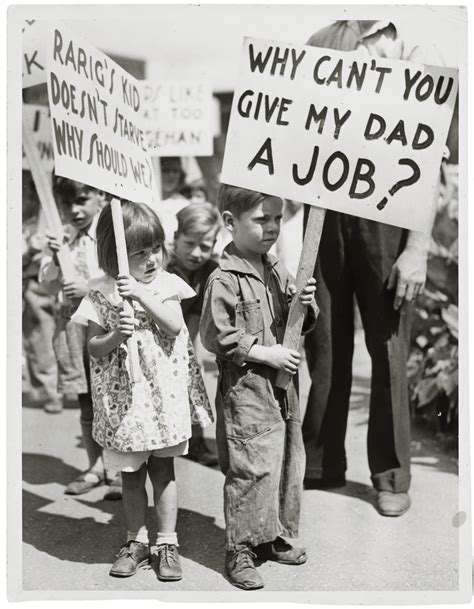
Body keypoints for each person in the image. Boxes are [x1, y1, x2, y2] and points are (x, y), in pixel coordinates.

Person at [302, 20, 440, 517]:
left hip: (389, 212)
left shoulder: (411, 44)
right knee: (323, 342)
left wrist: (418, 247)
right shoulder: (321, 40)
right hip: (325, 209)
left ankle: (391, 476)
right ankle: (318, 463)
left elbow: (427, 156)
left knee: (388, 348)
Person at [72, 200, 213, 581]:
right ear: (114, 255)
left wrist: (142, 295)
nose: (152, 259)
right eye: (139, 253)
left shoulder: (166, 286)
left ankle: (167, 543)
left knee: (163, 471)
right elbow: (93, 348)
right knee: (131, 475)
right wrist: (116, 332)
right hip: (124, 402)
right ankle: (135, 541)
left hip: (161, 400)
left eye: (155, 248)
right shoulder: (101, 294)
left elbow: (173, 326)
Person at [200, 184, 317, 590]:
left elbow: (298, 320)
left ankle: (273, 535)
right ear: (231, 222)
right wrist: (264, 354)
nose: (271, 228)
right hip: (248, 388)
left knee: (286, 459)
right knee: (252, 466)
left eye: (276, 219)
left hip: (284, 388)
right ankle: (241, 548)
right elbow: (216, 335)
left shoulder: (275, 268)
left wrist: (305, 300)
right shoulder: (224, 278)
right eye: (260, 219)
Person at [39, 177, 121, 499]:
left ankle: (117, 467)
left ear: (99, 196)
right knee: (85, 399)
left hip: (102, 323)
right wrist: (57, 258)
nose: (73, 210)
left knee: (110, 398)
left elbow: (119, 277)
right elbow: (46, 283)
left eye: (81, 200)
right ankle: (95, 466)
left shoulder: (108, 233)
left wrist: (89, 289)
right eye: (66, 204)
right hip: (72, 326)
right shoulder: (60, 239)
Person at [166, 202, 222, 466]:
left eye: (205, 246)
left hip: (185, 328)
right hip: (152, 331)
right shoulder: (162, 266)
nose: (197, 253)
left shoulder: (208, 270)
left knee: (193, 373)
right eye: (189, 243)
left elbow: (196, 315)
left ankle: (197, 441)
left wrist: (194, 355)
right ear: (175, 238)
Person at [22, 208, 63, 414]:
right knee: (42, 339)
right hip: (36, 287)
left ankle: (74, 386)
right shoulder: (28, 224)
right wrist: (30, 250)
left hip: (63, 282)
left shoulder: (68, 218)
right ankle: (50, 392)